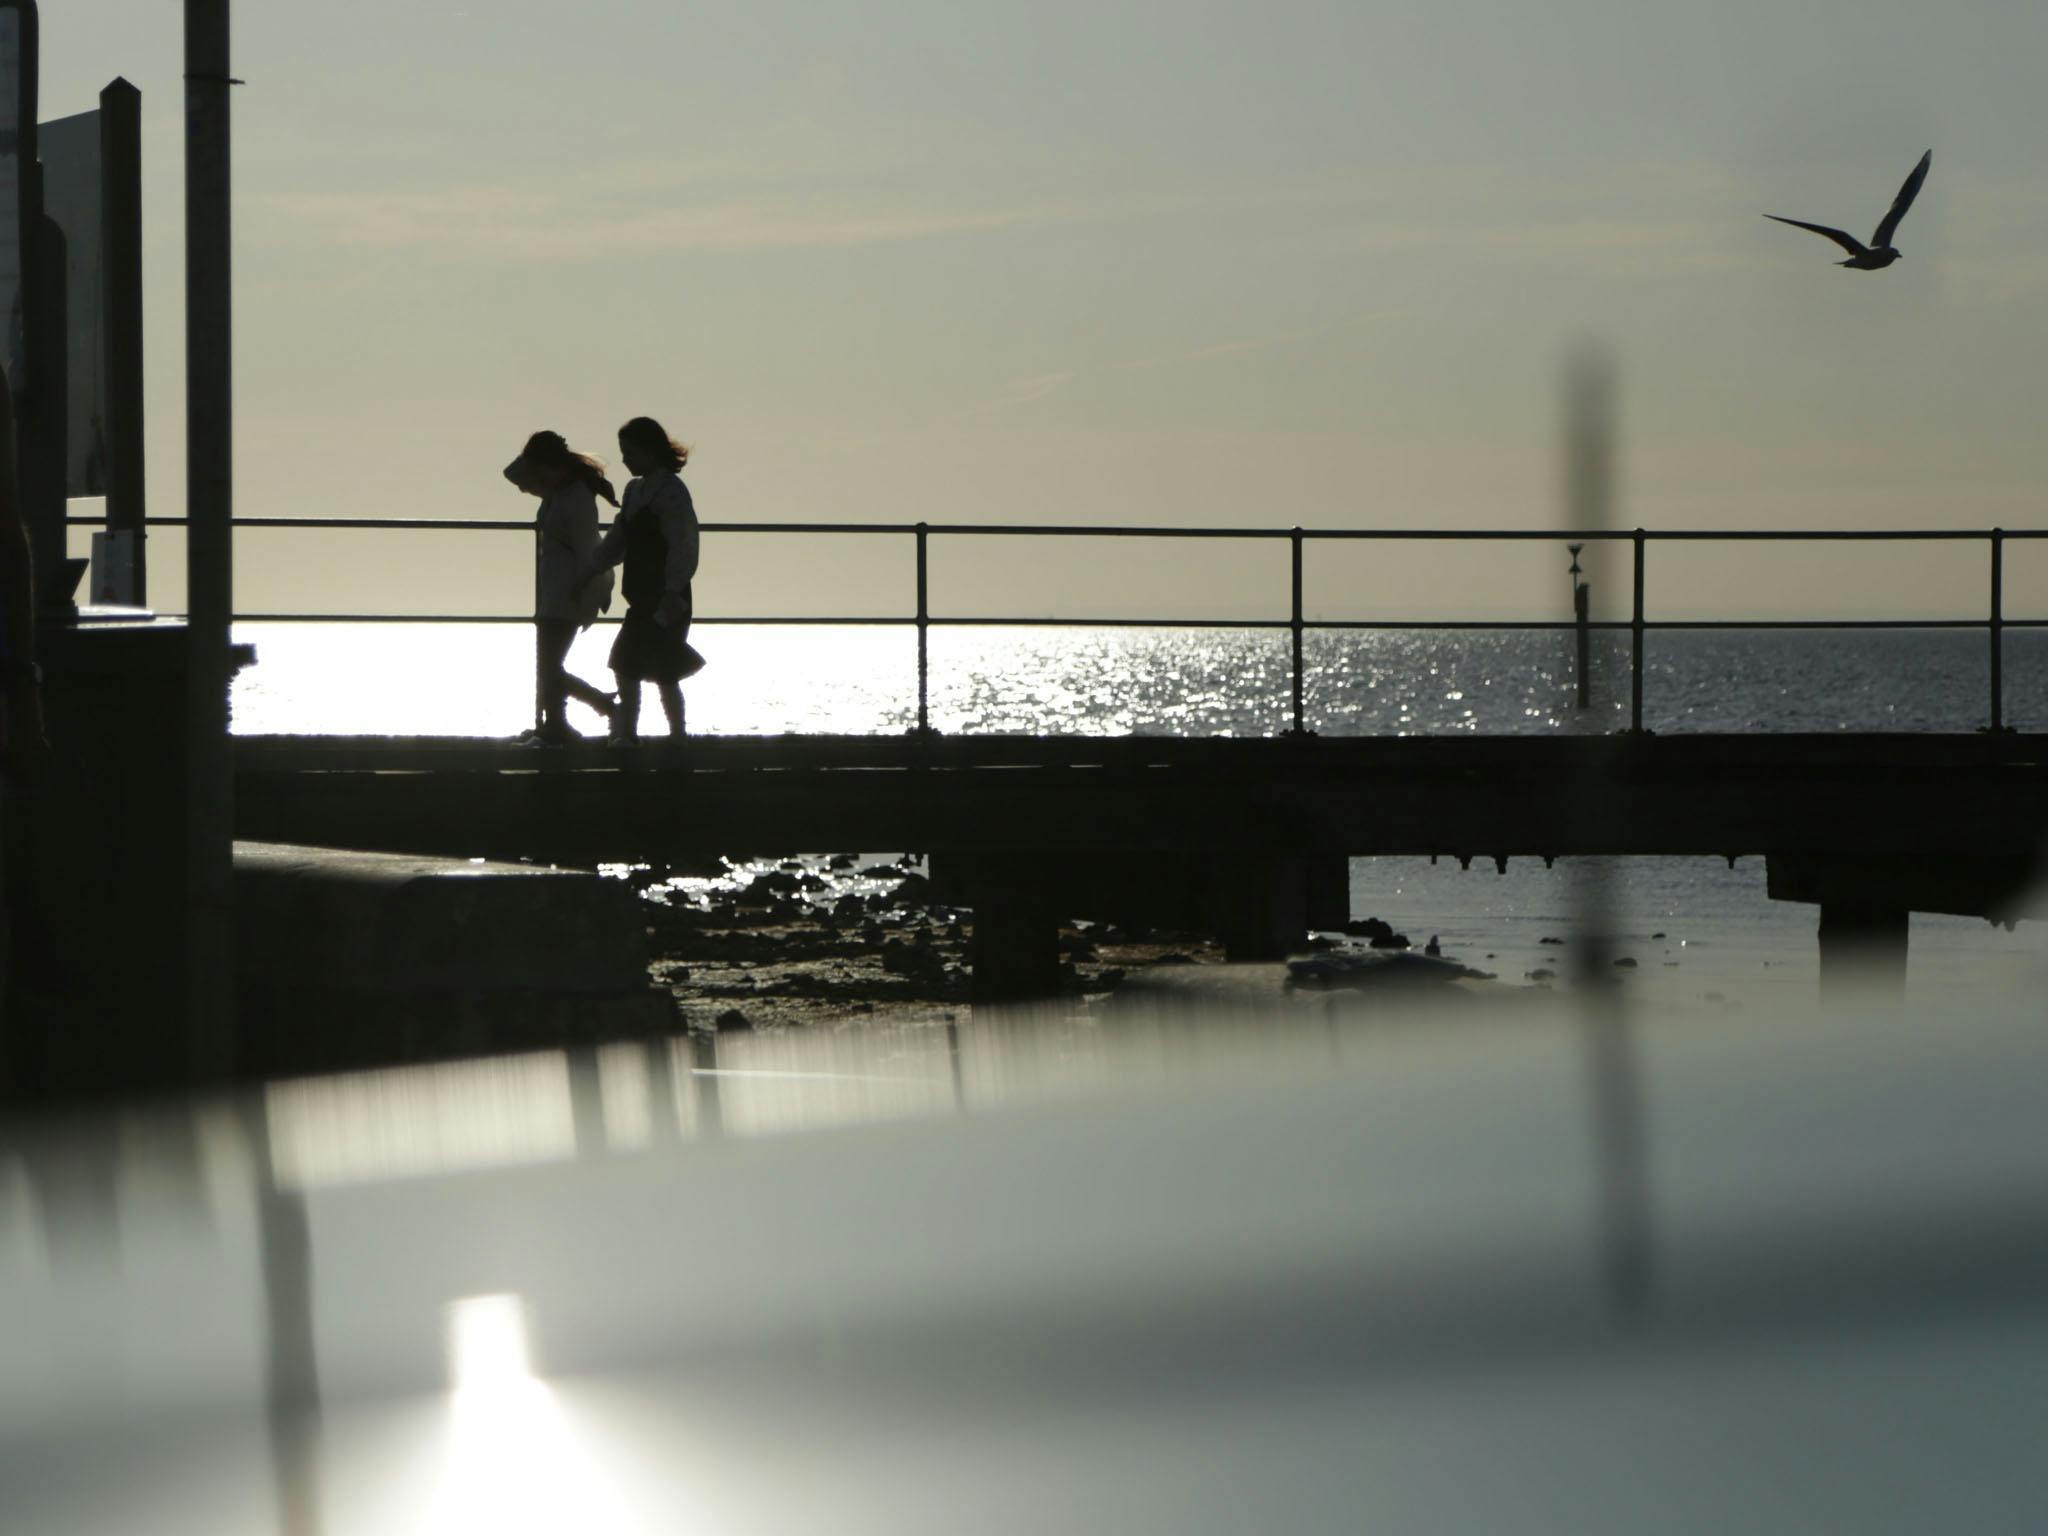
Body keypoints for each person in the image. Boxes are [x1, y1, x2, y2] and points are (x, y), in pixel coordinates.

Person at [584, 416, 699, 741]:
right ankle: (633, 733)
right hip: (641, 593)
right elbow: (618, 540)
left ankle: (672, 734)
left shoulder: (671, 491)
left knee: (661, 670)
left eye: (630, 452)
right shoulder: (635, 491)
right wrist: (592, 570)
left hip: (665, 593)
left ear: (650, 451)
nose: (624, 459)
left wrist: (673, 589)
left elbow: (683, 542)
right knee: (627, 664)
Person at [503, 430, 618, 744]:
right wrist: (536, 459)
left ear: (546, 466)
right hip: (553, 589)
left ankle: (603, 707)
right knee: (548, 664)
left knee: (550, 666)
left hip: (569, 589)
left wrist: (584, 590)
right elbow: (511, 473)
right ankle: (554, 724)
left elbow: (586, 548)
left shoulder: (576, 497)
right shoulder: (556, 492)